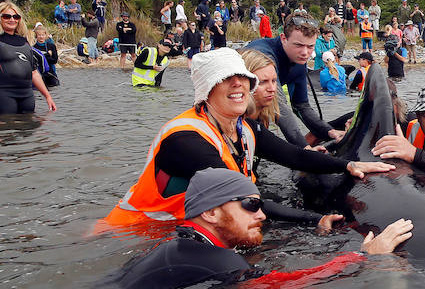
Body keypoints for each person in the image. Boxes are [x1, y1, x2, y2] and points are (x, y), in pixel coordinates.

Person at [101, 49, 393, 229]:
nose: (238, 84)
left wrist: (349, 166)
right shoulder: (186, 140)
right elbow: (242, 199)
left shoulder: (242, 128)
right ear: (207, 89)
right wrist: (313, 220)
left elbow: (294, 156)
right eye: (227, 79)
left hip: (194, 225)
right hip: (139, 233)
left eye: (242, 78)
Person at [117, 168, 414, 289]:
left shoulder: (182, 246)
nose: (261, 213)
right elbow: (284, 287)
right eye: (249, 204)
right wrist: (363, 257)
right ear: (210, 212)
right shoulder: (216, 261)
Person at [247, 13, 347, 146]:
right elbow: (279, 107)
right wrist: (304, 149)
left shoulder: (299, 59)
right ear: (283, 38)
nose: (305, 53)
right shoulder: (263, 55)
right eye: (298, 45)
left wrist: (330, 132)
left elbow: (301, 106)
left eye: (310, 46)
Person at [0, 1, 56, 114]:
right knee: (8, 127)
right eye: (7, 16)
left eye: (15, 16)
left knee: (29, 128)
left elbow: (34, 73)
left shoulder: (24, 42)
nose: (12, 20)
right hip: (4, 94)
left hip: (26, 94)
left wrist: (47, 96)